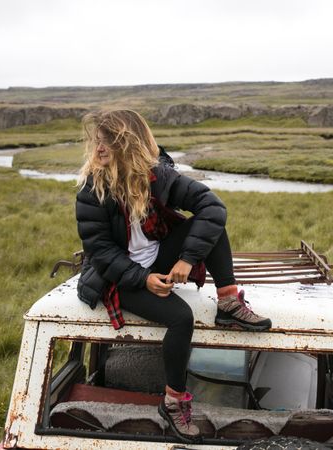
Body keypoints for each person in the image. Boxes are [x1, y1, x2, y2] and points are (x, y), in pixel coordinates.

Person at [75, 109, 271, 443]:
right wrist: (143, 280)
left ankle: (228, 301)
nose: (100, 148)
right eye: (96, 141)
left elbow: (213, 207)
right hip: (117, 277)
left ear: (131, 143)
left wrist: (186, 259)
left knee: (210, 223)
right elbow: (102, 253)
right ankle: (173, 401)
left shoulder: (159, 178)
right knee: (181, 318)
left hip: (158, 259)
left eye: (109, 140)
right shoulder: (91, 192)